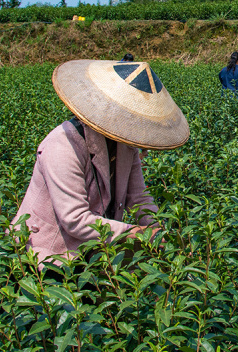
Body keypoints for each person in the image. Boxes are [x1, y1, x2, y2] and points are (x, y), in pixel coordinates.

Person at [12, 59, 190, 268]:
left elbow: (138, 197)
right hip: (48, 257)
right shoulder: (62, 144)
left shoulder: (125, 146)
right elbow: (74, 218)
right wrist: (135, 233)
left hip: (93, 252)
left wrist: (159, 231)